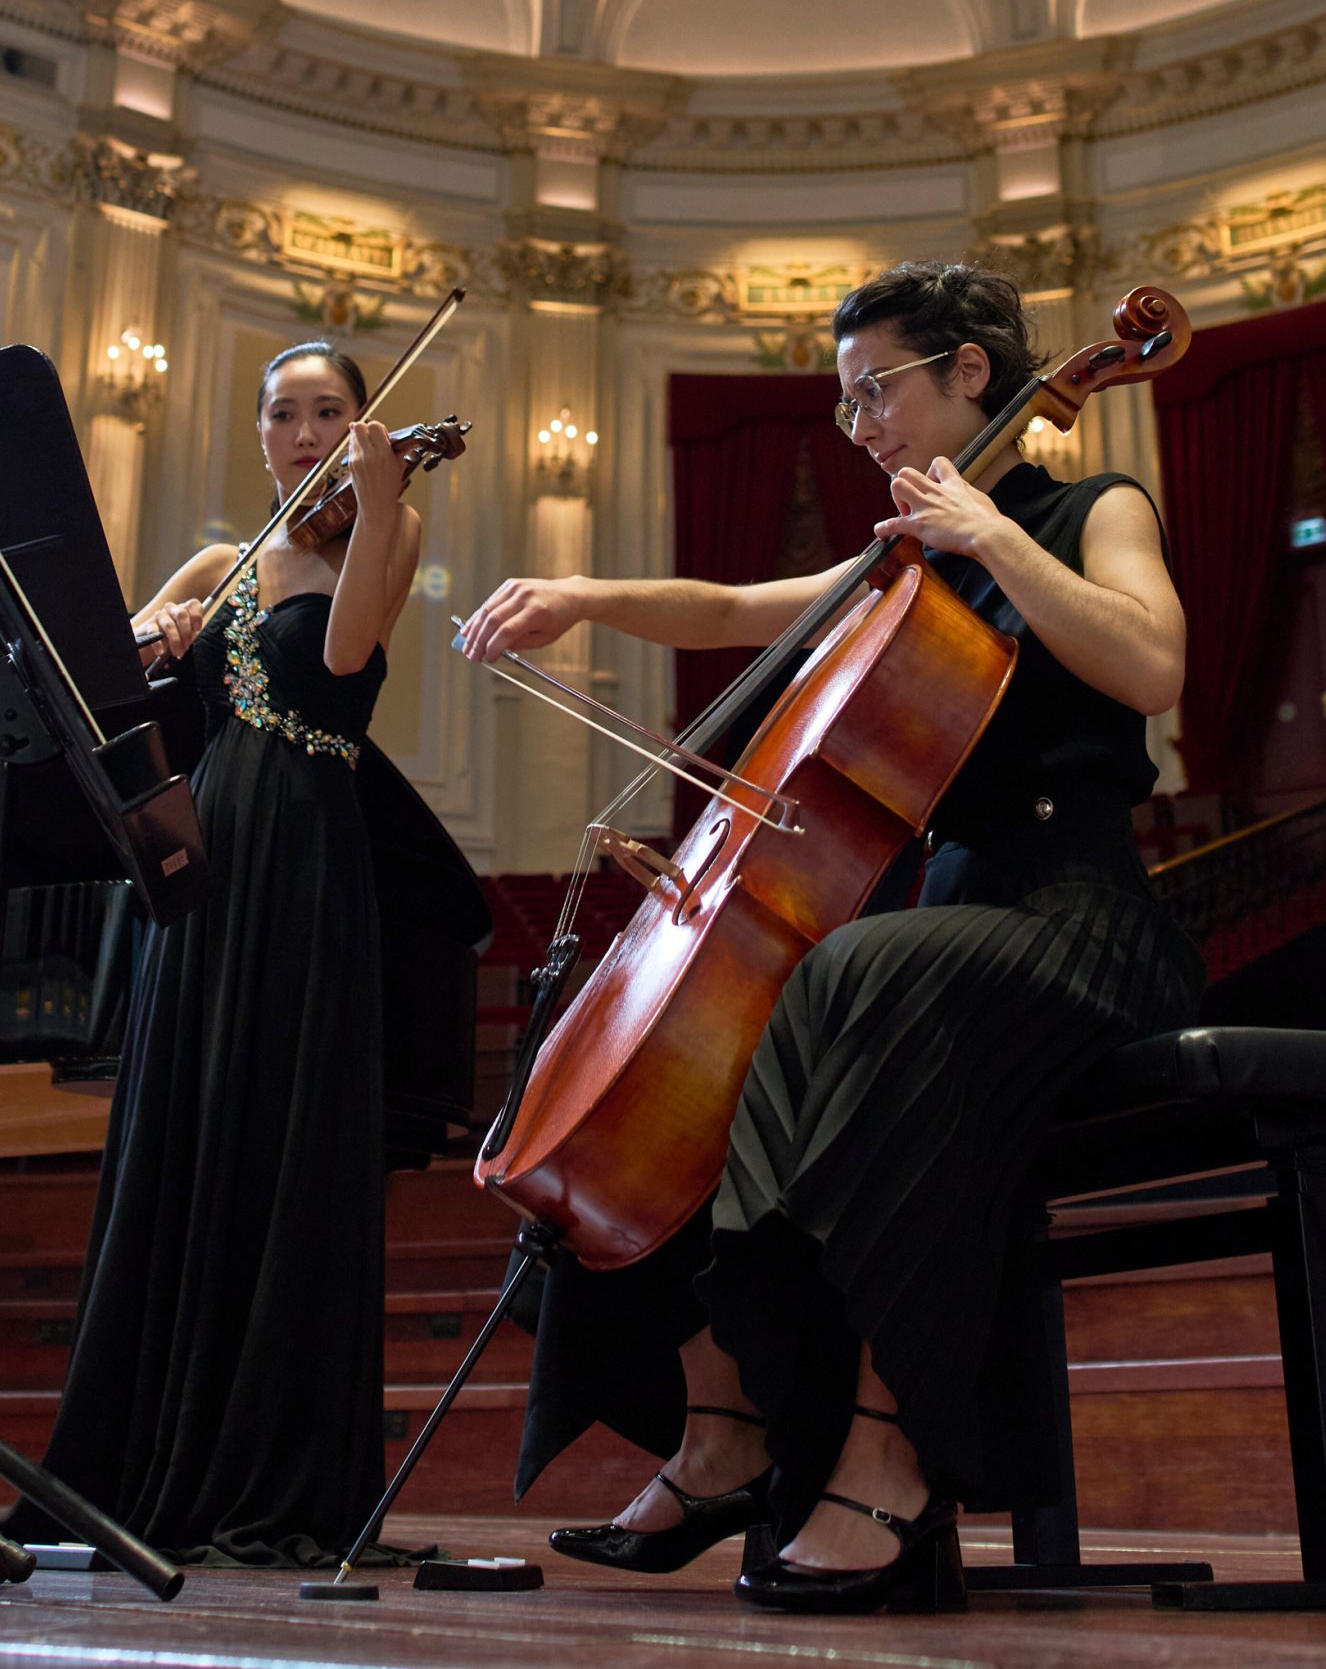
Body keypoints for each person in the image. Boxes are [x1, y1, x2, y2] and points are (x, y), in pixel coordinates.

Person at [455, 260, 1197, 1615]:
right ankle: (723, 1420)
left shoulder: (1096, 508)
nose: (859, 424)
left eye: (876, 390)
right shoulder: (892, 558)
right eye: (843, 399)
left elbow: (1149, 663)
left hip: (1080, 921)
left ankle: (888, 1452)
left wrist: (996, 539)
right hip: (950, 928)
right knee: (698, 1043)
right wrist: (579, 594)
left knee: (853, 971)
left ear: (969, 372)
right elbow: (740, 611)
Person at [30, 340, 424, 1564]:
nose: (305, 433)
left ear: (360, 425)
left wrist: (388, 496)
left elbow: (348, 653)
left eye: (329, 414)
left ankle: (270, 1472)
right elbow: (86, 683)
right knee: (184, 1135)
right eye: (284, 414)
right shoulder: (220, 559)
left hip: (306, 863)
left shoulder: (386, 538)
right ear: (258, 435)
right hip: (200, 870)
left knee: (279, 1135)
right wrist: (153, 644)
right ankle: (144, 1456)